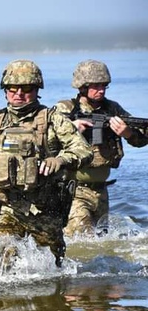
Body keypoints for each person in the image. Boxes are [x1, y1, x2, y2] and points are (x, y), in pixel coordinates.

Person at [0, 59, 93, 267]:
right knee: (2, 256)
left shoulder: (53, 119)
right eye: (12, 88)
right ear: (5, 90)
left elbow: (84, 150)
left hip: (45, 211)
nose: (19, 93)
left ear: (37, 89)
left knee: (52, 270)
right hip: (7, 209)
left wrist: (61, 159)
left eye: (26, 88)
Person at [55, 60, 148, 237]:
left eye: (104, 85)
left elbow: (141, 139)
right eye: (96, 86)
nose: (101, 90)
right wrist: (70, 129)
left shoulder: (112, 108)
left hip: (101, 192)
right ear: (82, 86)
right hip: (74, 190)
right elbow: (45, 140)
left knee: (101, 241)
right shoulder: (65, 108)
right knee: (82, 239)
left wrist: (127, 133)